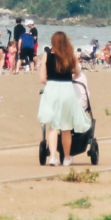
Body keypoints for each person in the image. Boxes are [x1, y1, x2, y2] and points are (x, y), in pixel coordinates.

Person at [37, 31, 91, 166]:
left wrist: (50, 82)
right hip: (67, 89)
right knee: (66, 127)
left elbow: (42, 78)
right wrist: (69, 79)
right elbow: (78, 73)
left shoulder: (47, 56)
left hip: (52, 89)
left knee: (53, 125)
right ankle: (67, 158)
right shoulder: (70, 57)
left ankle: (53, 157)